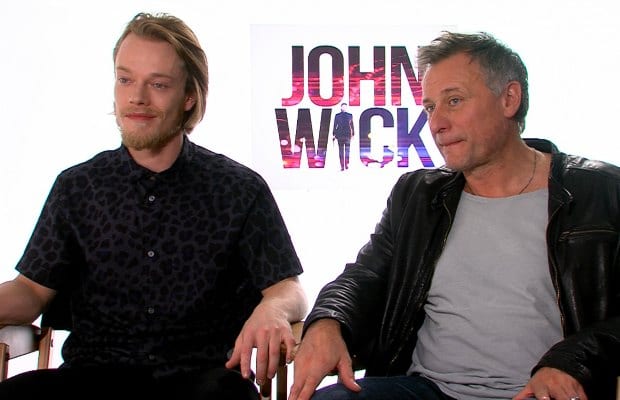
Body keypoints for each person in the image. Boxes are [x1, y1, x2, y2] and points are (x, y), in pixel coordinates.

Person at [289, 31, 620, 400]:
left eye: (454, 101)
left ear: (509, 98)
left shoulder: (601, 191)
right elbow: (365, 275)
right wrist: (329, 319)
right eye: (431, 108)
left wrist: (574, 360)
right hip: (426, 390)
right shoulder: (418, 194)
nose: (436, 124)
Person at [0, 12, 307, 400]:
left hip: (202, 381)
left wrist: (274, 309)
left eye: (158, 84)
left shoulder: (239, 189)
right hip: (92, 378)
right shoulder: (77, 187)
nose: (137, 98)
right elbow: (30, 291)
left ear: (189, 97)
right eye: (125, 79)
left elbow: (288, 289)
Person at [332, 103, 355, 171]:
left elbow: (352, 125)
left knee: (347, 150)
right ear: (341, 107)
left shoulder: (350, 115)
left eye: (345, 107)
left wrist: (353, 134)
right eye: (343, 107)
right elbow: (335, 125)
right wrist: (334, 134)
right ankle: (342, 166)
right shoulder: (337, 115)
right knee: (341, 151)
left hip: (347, 134)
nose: (344, 108)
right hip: (340, 135)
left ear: (346, 107)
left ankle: (346, 164)